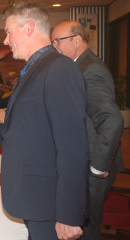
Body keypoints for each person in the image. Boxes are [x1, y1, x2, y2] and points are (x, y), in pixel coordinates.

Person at [0, 2, 89, 240]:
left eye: (8, 31)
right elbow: (16, 131)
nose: (6, 40)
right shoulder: (35, 69)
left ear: (29, 27)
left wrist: (69, 214)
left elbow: (73, 148)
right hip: (36, 200)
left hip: (49, 204)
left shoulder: (58, 68)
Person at [52, 20, 124, 240]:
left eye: (58, 41)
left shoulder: (89, 69)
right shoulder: (79, 65)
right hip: (86, 161)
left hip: (94, 166)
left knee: (85, 229)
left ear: (76, 39)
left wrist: (98, 167)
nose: (54, 47)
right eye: (52, 41)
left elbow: (112, 120)